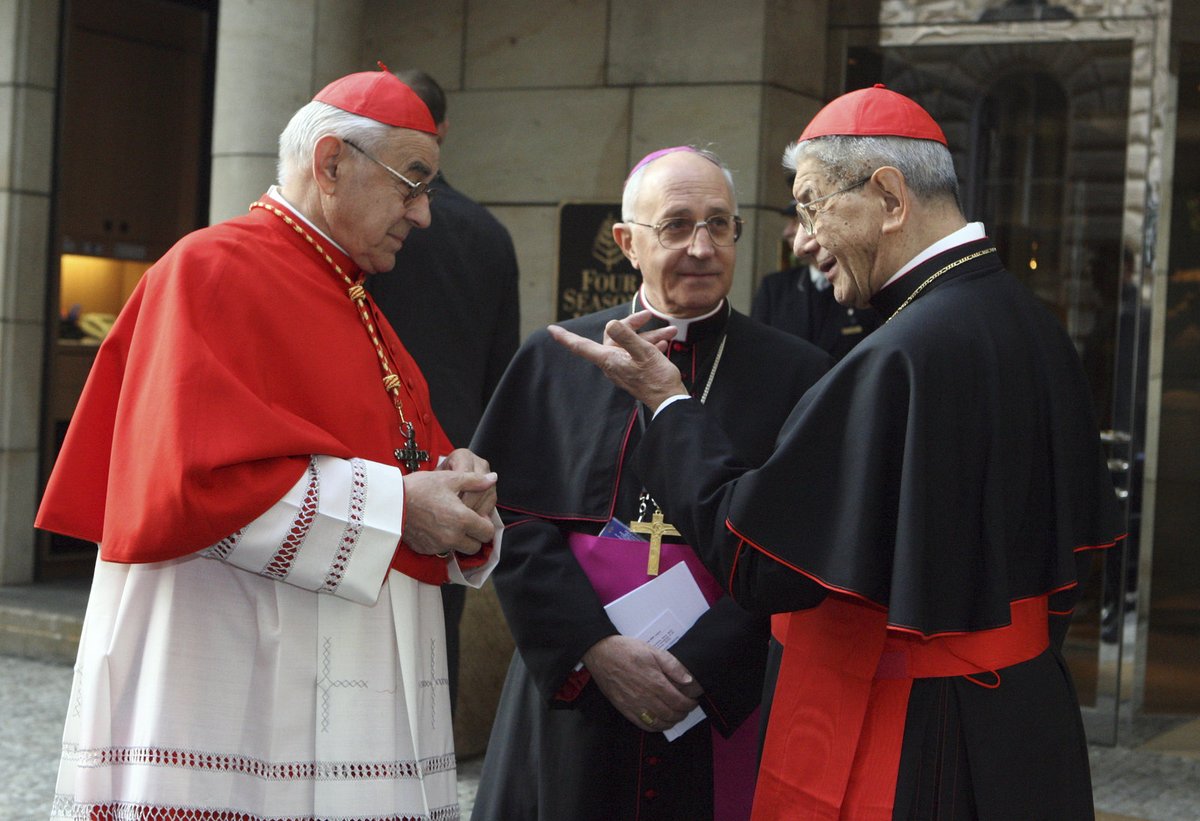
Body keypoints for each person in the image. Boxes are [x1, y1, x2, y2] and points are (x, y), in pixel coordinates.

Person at [549, 85, 1126, 819]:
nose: (803, 239)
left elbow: (758, 560)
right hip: (1025, 719)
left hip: (923, 731)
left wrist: (668, 404)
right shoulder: (1034, 326)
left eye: (814, 204)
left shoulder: (899, 354)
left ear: (888, 196)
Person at [36, 66, 503, 819]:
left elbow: (402, 468)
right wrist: (399, 506)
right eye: (411, 184)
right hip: (237, 675)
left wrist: (458, 489)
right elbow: (190, 486)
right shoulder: (209, 270)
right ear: (330, 163)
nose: (423, 214)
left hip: (340, 682)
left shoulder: (353, 297)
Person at [470, 146, 831, 821]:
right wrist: (594, 648)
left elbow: (799, 547)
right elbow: (507, 521)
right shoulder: (555, 361)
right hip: (576, 690)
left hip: (717, 698)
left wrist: (701, 666)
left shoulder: (799, 375)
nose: (702, 247)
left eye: (720, 224)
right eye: (676, 225)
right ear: (626, 242)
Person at [367, 68, 520, 708]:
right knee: (437, 639)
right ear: (444, 128)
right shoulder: (489, 234)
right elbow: (501, 372)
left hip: (366, 460)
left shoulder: (362, 228)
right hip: (452, 460)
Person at [751, 199, 879, 359]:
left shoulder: (863, 284)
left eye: (798, 221)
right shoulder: (774, 289)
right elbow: (757, 351)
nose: (787, 232)